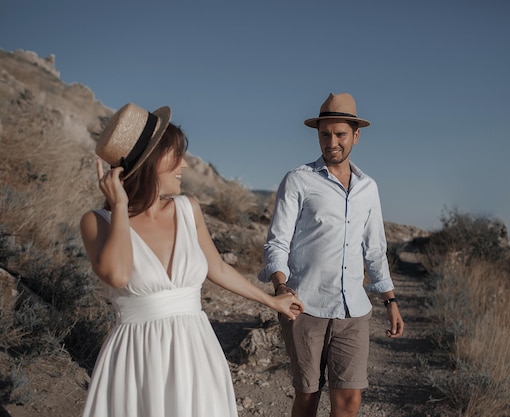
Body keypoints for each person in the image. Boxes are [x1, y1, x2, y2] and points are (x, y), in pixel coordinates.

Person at [80, 102, 303, 417]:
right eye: (176, 156)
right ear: (151, 160)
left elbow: (219, 268)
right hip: (137, 358)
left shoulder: (188, 209)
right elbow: (117, 275)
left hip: (194, 349)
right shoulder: (96, 222)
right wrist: (119, 206)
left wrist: (273, 301)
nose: (183, 165)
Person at [258, 93, 404, 417]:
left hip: (353, 310)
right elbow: (277, 242)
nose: (332, 142)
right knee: (307, 399)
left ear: (356, 135)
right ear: (318, 135)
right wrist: (281, 288)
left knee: (349, 401)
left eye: (340, 134)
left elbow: (376, 250)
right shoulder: (299, 180)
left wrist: (390, 301)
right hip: (305, 306)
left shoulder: (369, 188)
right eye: (325, 134)